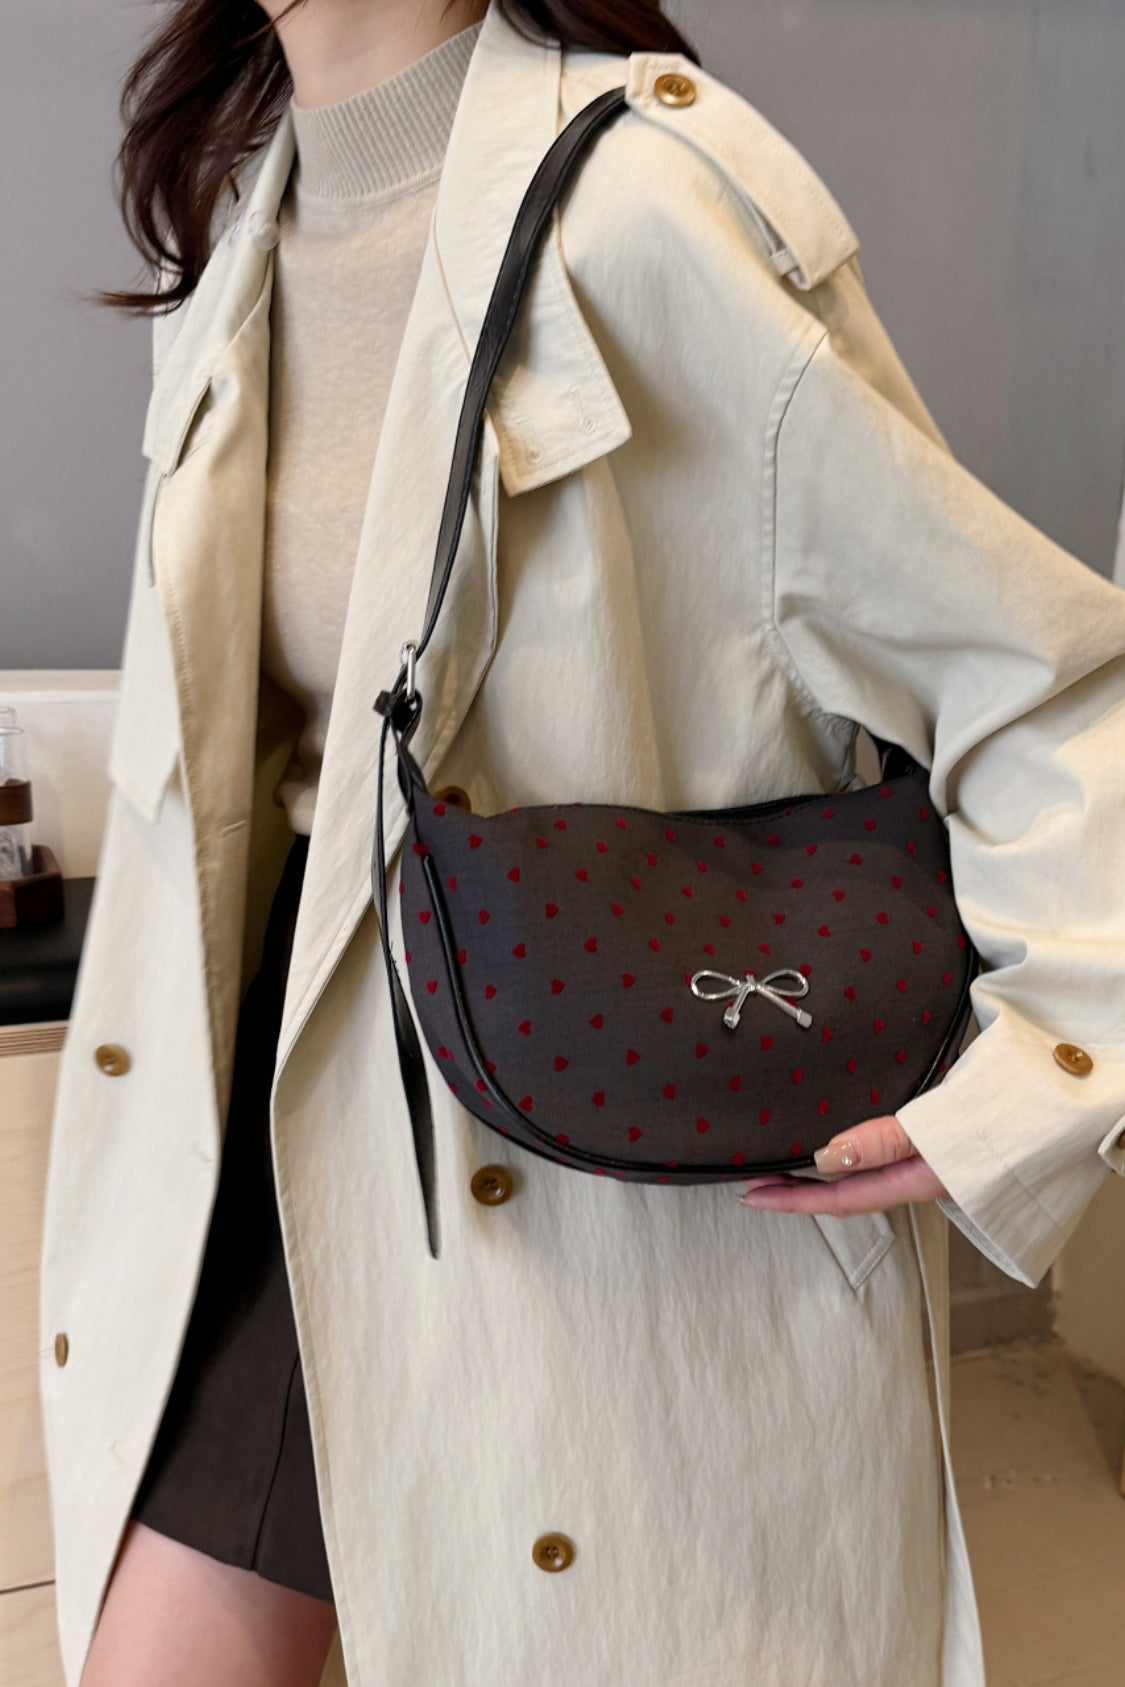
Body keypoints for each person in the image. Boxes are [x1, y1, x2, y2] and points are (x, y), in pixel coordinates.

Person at [40, 1, 1125, 1684]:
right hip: (258, 1111)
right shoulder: (244, 222)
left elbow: (1042, 678)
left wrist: (1034, 1078)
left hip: (534, 1114)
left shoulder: (639, 204)